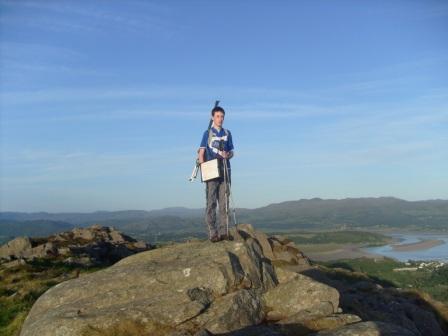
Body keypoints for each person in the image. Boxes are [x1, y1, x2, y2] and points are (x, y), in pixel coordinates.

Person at [198, 105, 234, 242]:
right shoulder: (207, 133)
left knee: (224, 203)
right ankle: (213, 233)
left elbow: (232, 152)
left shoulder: (227, 133)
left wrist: (228, 154)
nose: (220, 119)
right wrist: (204, 168)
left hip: (225, 170)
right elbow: (201, 152)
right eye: (218, 116)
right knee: (211, 202)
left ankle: (224, 231)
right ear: (213, 117)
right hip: (211, 170)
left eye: (222, 116)